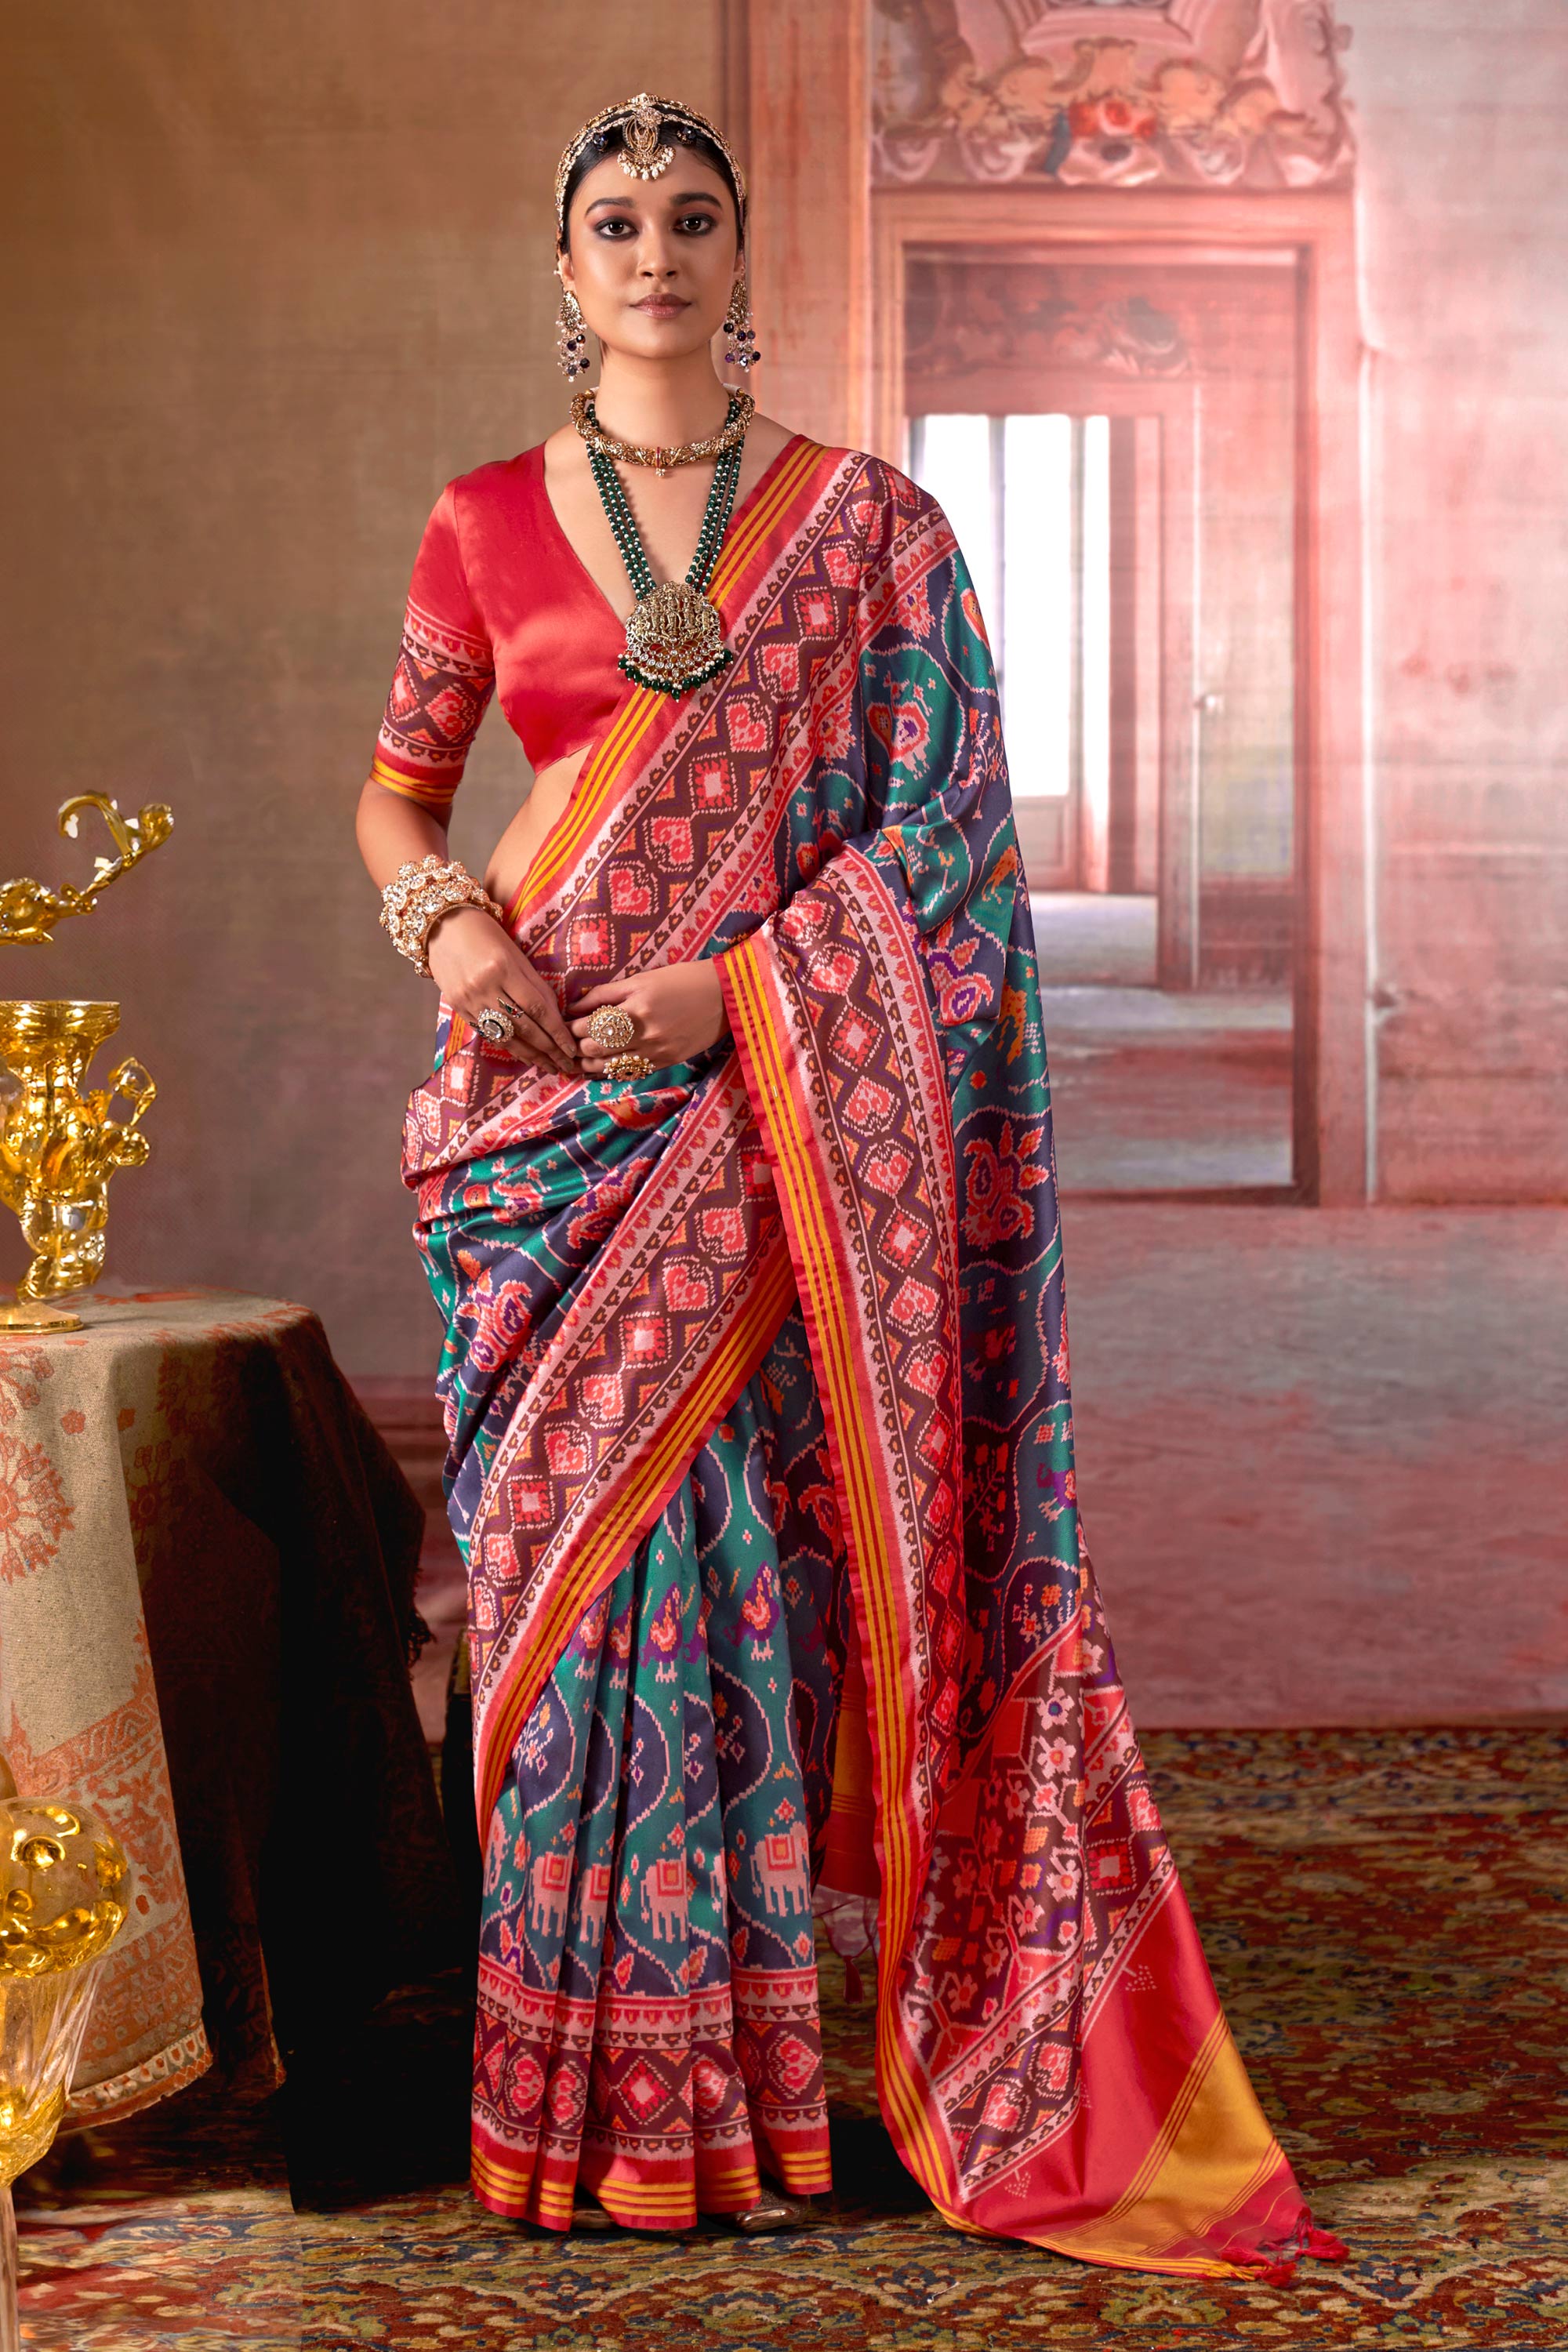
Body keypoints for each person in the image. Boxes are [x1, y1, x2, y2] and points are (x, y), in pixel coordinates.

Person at [354, 91, 1343, 2274]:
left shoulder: (873, 530)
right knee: (565, 1592)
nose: (656, 250)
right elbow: (399, 793)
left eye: (693, 216)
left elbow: (951, 846)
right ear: (564, 269)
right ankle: (573, 2091)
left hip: (765, 1121)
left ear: (740, 257)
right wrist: (451, 933)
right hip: (537, 1134)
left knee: (730, 1576)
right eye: (616, 220)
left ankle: (738, 2088)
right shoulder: (482, 521)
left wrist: (738, 1000)